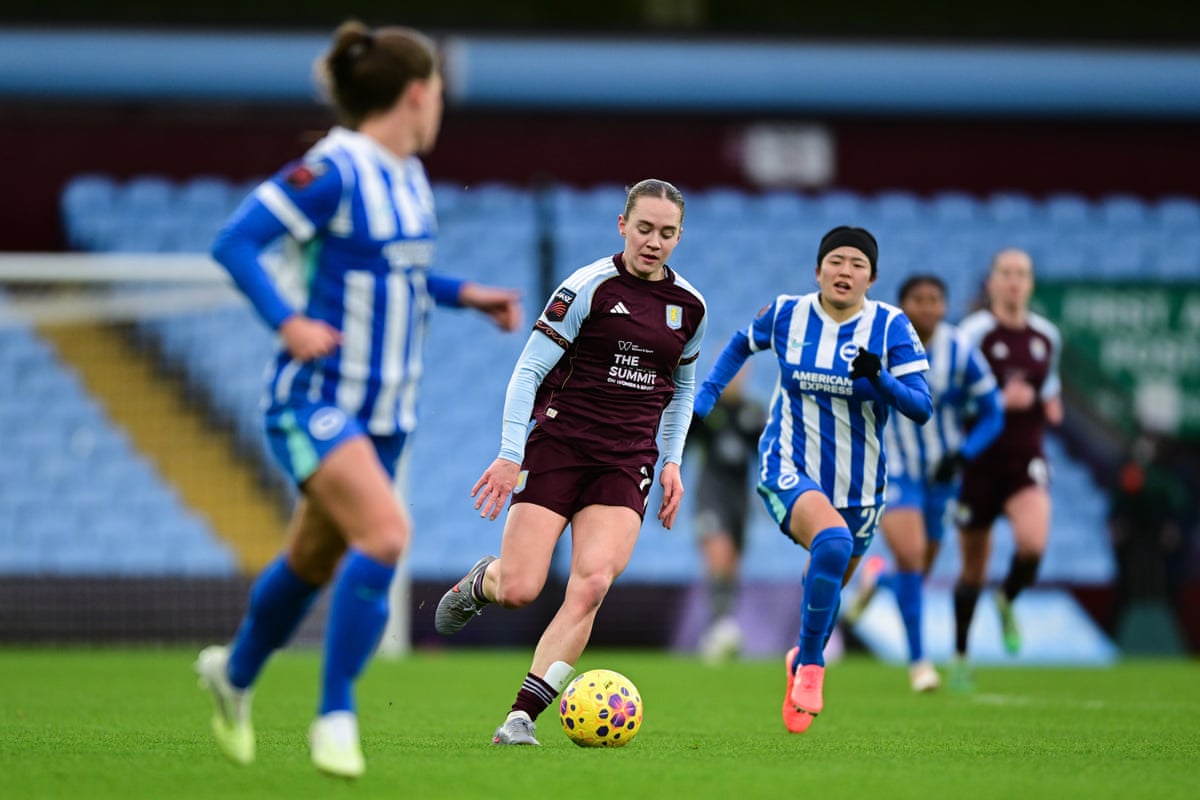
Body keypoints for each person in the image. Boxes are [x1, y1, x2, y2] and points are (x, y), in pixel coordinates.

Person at [194, 21, 523, 778]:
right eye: (438, 92)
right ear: (417, 94)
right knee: (385, 534)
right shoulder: (335, 168)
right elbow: (235, 242)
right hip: (315, 399)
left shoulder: (408, 176)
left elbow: (394, 274)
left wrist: (465, 294)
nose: (441, 106)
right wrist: (289, 321)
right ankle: (335, 716)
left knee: (311, 559)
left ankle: (233, 674)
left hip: (387, 414)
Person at [433, 179, 707, 746]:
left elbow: (681, 391)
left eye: (668, 232)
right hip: (559, 447)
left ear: (680, 236)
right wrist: (512, 455)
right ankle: (484, 581)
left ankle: (520, 717)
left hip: (627, 460)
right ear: (622, 225)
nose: (654, 242)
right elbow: (528, 372)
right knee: (521, 589)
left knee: (592, 584)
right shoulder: (587, 287)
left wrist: (674, 461)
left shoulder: (691, 308)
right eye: (645, 228)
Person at [694, 226, 932, 734]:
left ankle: (803, 652)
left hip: (860, 487)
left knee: (825, 576)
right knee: (832, 540)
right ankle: (812, 665)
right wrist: (706, 396)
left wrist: (882, 380)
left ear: (872, 276)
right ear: (818, 269)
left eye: (857, 264)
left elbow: (921, 407)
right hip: (789, 465)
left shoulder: (890, 326)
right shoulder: (788, 313)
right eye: (836, 261)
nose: (845, 271)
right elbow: (741, 343)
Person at [842, 275, 1004, 692]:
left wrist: (965, 454)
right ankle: (919, 663)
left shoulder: (960, 350)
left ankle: (879, 580)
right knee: (913, 555)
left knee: (920, 567)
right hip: (895, 468)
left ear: (945, 306)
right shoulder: (882, 343)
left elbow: (993, 411)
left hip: (943, 473)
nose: (927, 307)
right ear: (902, 305)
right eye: (918, 300)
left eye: (935, 299)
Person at [950, 248, 1062, 691]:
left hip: (1024, 458)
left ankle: (1007, 597)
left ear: (1030, 284)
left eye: (1022, 274)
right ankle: (960, 658)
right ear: (992, 282)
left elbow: (1047, 389)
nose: (1014, 281)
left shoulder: (1046, 337)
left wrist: (1050, 406)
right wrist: (997, 399)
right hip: (978, 461)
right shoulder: (974, 332)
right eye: (1006, 274)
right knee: (972, 567)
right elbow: (952, 393)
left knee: (1032, 544)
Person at [683, 364, 767, 664]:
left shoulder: (753, 412)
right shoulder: (706, 409)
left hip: (738, 499)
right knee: (717, 553)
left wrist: (770, 496)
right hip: (710, 494)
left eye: (740, 372)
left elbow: (765, 456)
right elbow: (682, 448)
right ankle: (722, 626)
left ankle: (721, 625)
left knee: (731, 563)